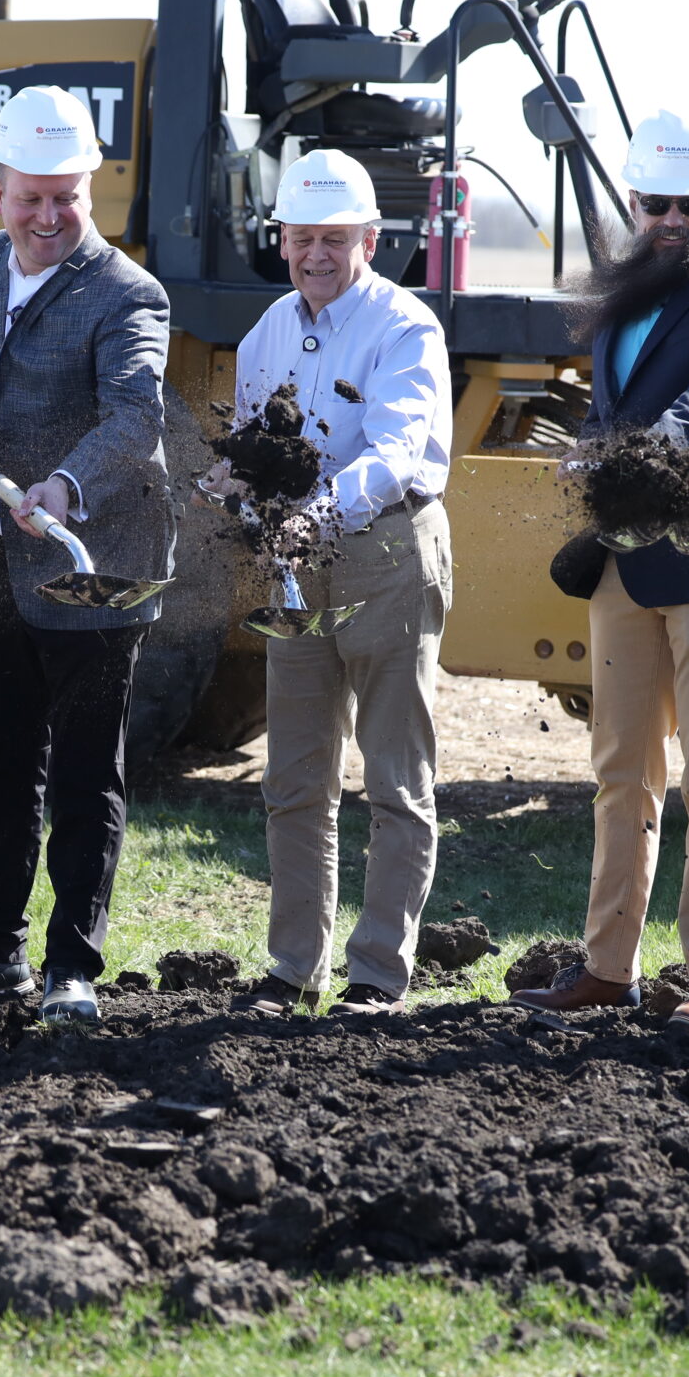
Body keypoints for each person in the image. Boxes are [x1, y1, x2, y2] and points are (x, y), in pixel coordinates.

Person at [513, 111, 689, 1035]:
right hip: (625, 571)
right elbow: (608, 409)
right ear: (633, 206)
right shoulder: (625, 296)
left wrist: (632, 452)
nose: (671, 218)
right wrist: (592, 451)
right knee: (620, 773)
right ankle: (608, 968)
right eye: (654, 204)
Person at [0, 86, 176, 1024]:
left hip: (98, 560)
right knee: (0, 759)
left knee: (86, 771)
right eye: (32, 198)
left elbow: (135, 415)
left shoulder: (129, 293)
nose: (51, 216)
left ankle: (72, 968)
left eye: (68, 196)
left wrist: (66, 483)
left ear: (90, 189)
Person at [209, 150, 453, 1016]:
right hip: (295, 569)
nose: (317, 253)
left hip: (386, 554)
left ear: (370, 240)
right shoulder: (266, 332)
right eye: (302, 236)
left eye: (335, 238)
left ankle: (379, 975)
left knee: (394, 775)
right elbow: (249, 448)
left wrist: (319, 512)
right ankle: (291, 970)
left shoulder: (404, 326)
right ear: (281, 240)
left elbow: (392, 455)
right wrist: (230, 493)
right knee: (297, 775)